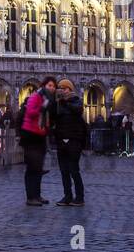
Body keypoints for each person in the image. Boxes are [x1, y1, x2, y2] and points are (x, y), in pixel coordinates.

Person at [20, 77, 56, 206]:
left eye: (53, 86)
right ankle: (31, 197)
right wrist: (42, 108)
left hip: (40, 135)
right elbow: (30, 112)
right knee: (32, 167)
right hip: (30, 135)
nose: (52, 88)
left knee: (38, 167)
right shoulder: (36, 96)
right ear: (44, 85)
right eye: (50, 85)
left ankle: (37, 195)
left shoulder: (48, 99)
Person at [51, 79, 87, 206]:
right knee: (64, 171)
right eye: (60, 88)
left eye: (65, 88)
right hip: (61, 140)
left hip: (73, 140)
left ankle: (80, 197)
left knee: (73, 170)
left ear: (70, 89)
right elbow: (53, 117)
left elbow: (77, 111)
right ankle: (67, 196)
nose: (63, 91)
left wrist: (65, 101)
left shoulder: (76, 100)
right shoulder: (58, 103)